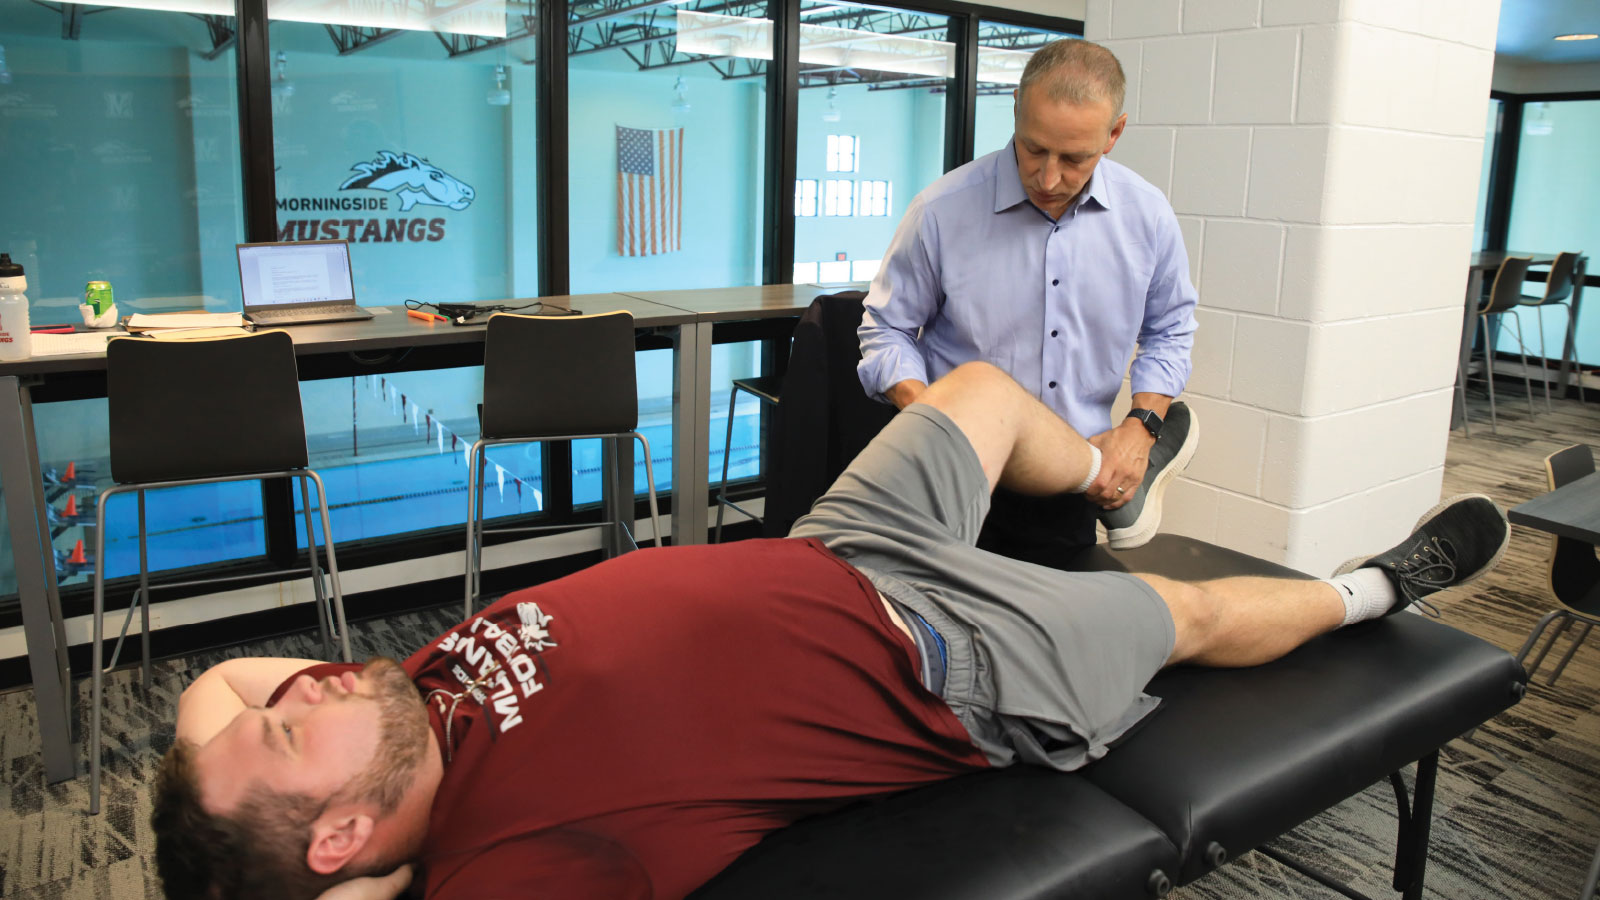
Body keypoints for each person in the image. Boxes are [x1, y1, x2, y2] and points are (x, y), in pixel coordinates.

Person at [151, 363, 1508, 900]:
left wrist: (280, 766)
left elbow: (214, 679)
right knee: (1192, 615)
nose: (305, 679)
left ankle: (1110, 476)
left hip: (829, 555)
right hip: (958, 659)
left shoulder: (404, 701)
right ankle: (1376, 586)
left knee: (976, 391)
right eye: (287, 729)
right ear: (338, 838)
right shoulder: (507, 865)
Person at [856, 38, 1198, 562]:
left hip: (1071, 484)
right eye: (1034, 148)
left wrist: (1141, 427)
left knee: (1055, 637)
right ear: (1015, 107)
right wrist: (934, 423)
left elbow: (1170, 330)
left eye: (1075, 158)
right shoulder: (942, 210)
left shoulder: (1148, 216)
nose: (1048, 177)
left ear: (1114, 134)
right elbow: (886, 328)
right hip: (953, 477)